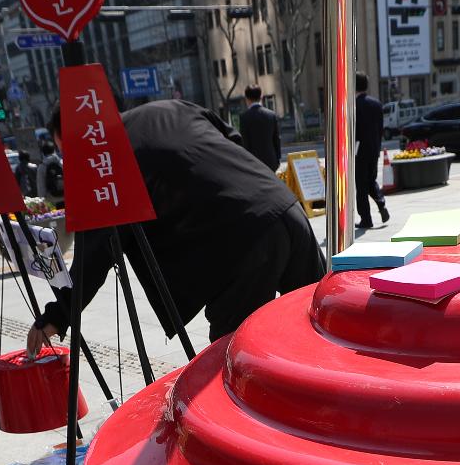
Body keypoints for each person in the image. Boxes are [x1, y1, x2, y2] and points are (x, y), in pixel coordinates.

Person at [26, 100, 326, 351]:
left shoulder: (105, 162)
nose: (70, 162)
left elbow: (92, 259)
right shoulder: (169, 108)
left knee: (234, 366)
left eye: (67, 152)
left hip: (240, 245)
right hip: (285, 208)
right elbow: (232, 140)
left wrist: (56, 316)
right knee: (323, 333)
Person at [354, 72, 390, 229]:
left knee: (361, 186)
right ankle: (381, 202)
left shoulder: (353, 106)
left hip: (359, 151)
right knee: (371, 180)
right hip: (374, 149)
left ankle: (366, 219)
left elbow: (352, 132)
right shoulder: (377, 104)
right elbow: (380, 129)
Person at [238, 84, 282, 171]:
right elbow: (276, 139)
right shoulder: (271, 115)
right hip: (271, 162)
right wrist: (277, 159)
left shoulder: (244, 117)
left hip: (254, 164)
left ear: (246, 98)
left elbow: (245, 142)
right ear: (261, 96)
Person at [36, 139, 64, 207]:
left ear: (43, 153)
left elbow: (41, 184)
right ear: (54, 150)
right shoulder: (61, 162)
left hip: (52, 198)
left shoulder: (42, 166)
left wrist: (42, 200)